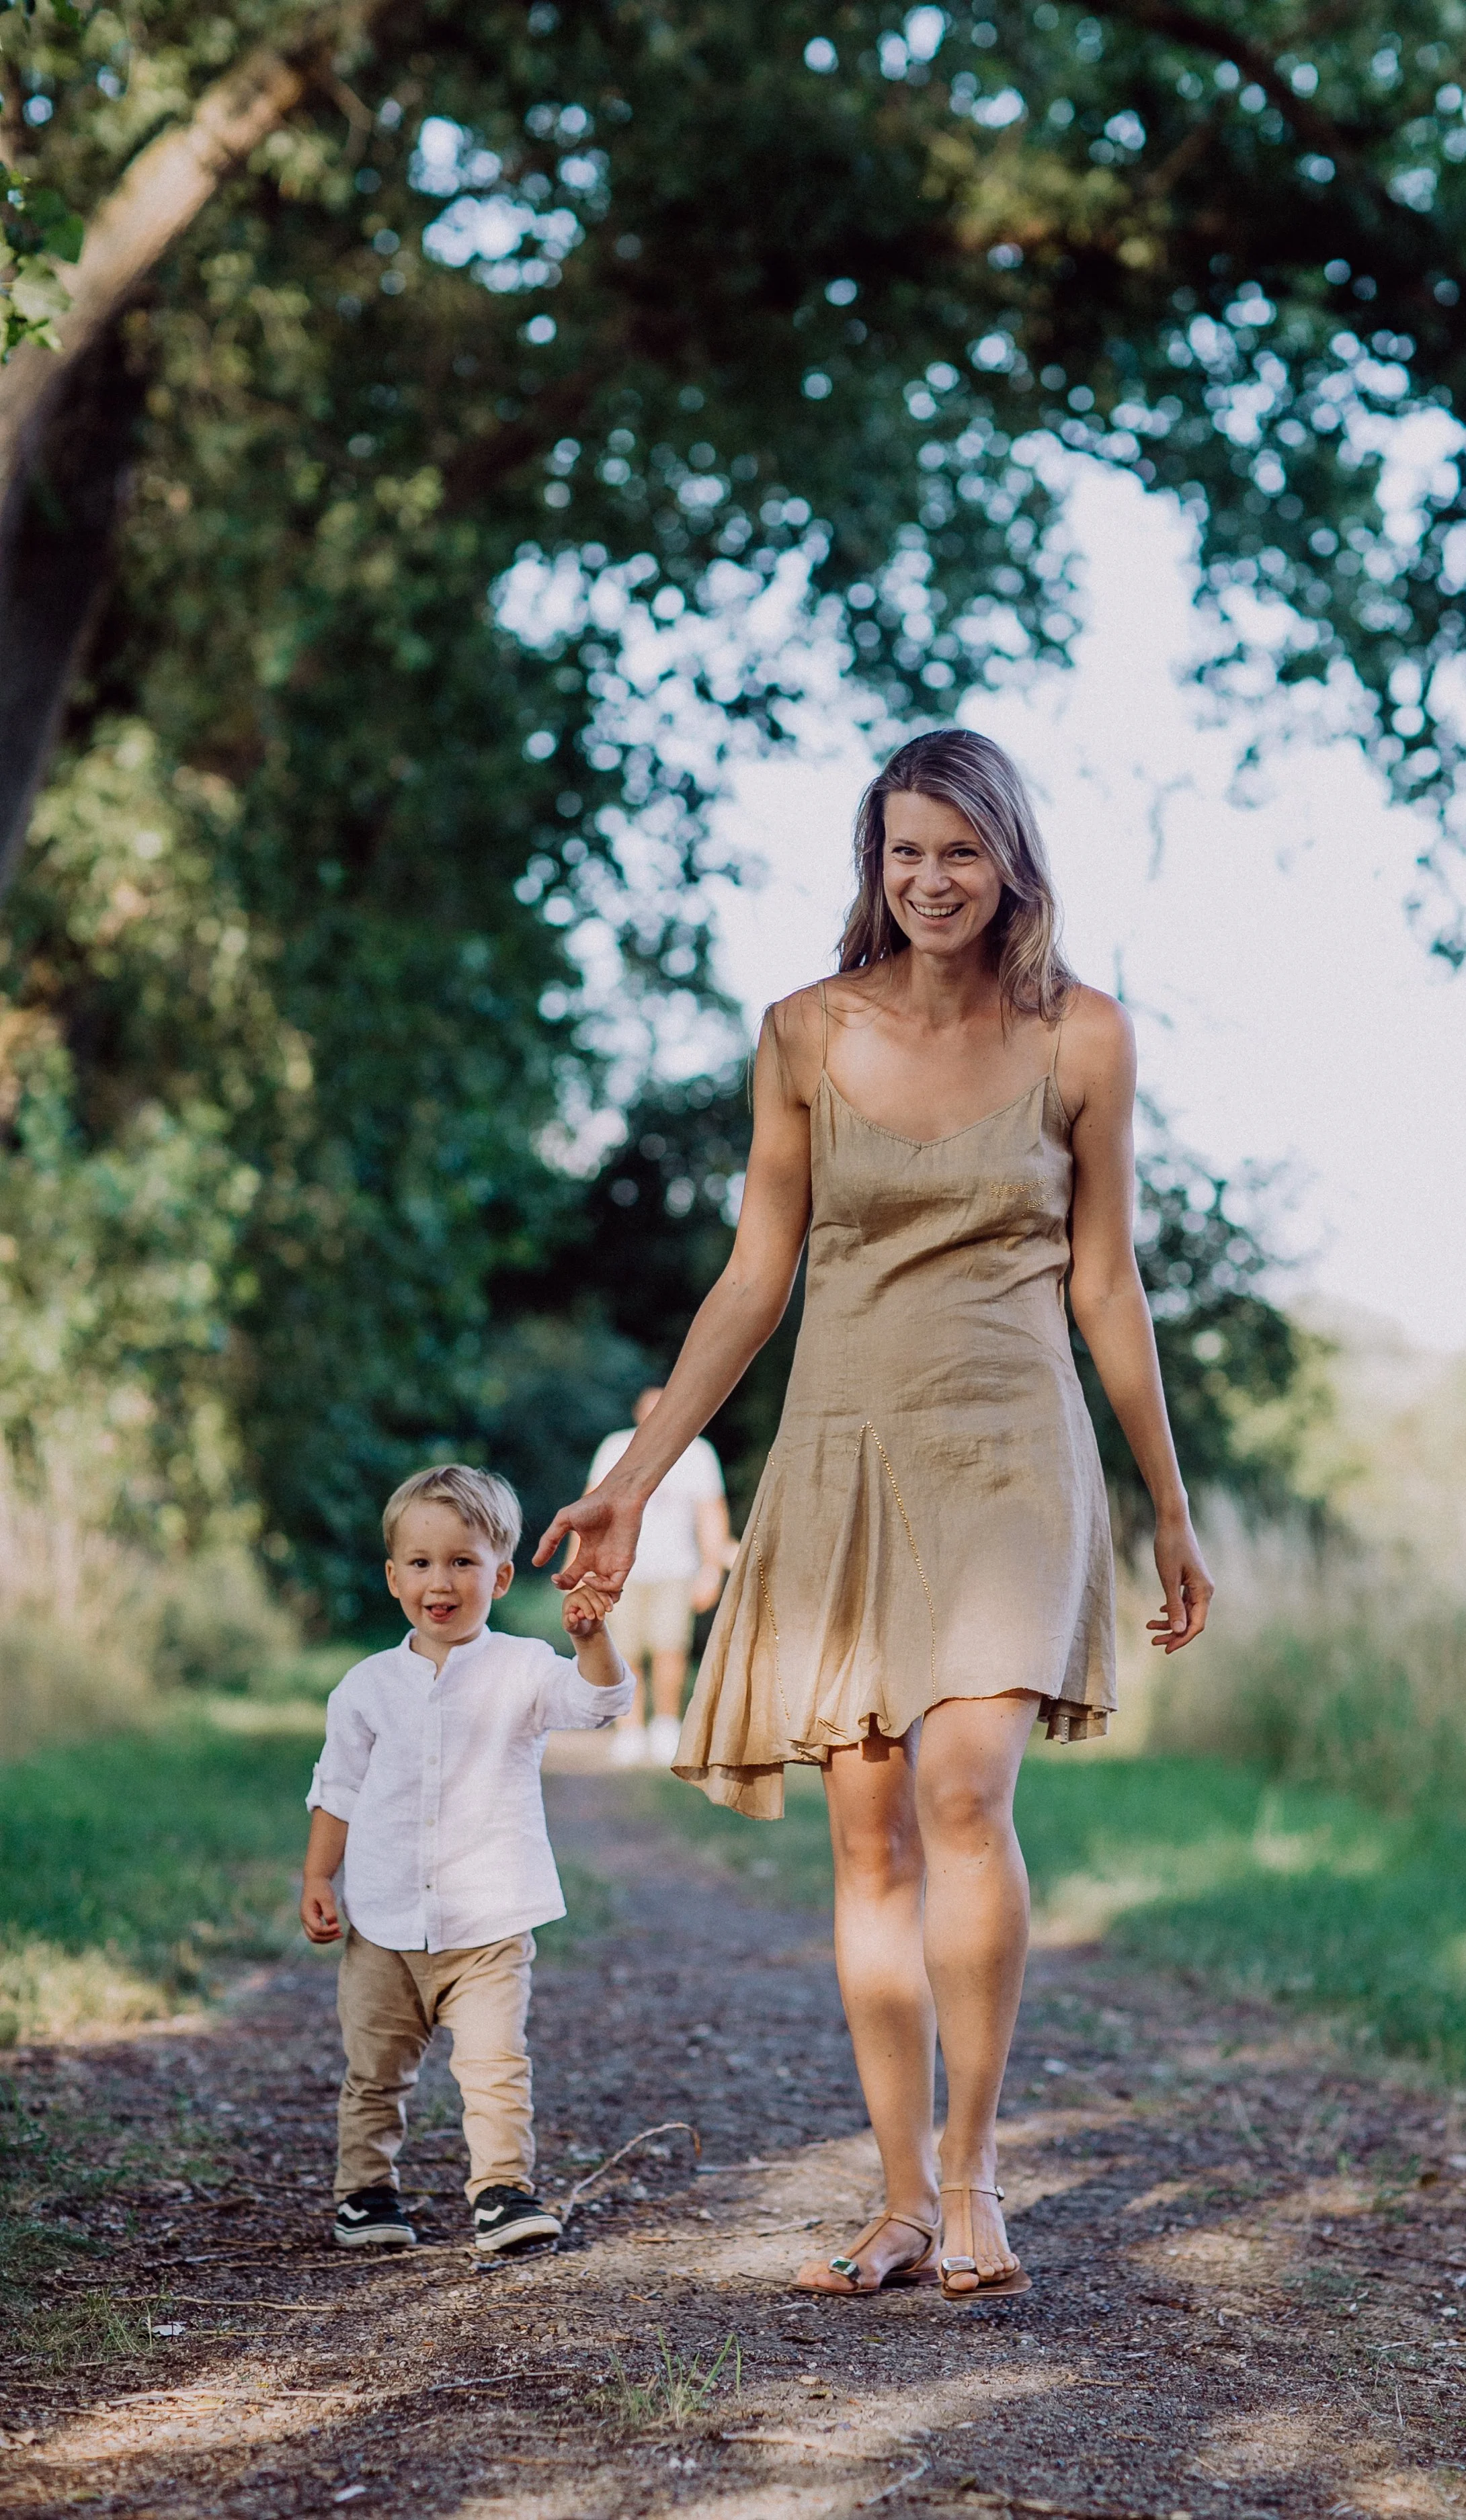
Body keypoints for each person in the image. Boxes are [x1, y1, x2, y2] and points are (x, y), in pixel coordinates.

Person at [535, 730, 1213, 2301]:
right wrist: (633, 1482)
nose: (930, 879)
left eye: (959, 852)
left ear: (1012, 860)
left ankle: (975, 2183)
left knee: (966, 1792)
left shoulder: (1084, 1039)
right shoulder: (799, 1035)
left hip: (1009, 1455)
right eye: (905, 851)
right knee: (867, 1829)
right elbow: (754, 1278)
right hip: (843, 1452)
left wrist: (1167, 1505)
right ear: (875, 862)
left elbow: (1106, 1282)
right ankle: (899, 2192)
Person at [300, 1464, 634, 2253]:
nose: (440, 1582)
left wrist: (593, 1639)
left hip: (489, 1919)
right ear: (393, 1577)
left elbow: (600, 1703)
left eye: (462, 1562)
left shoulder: (521, 1668)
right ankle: (367, 2197)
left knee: (493, 2066)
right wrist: (319, 1874)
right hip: (384, 1924)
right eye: (421, 1564)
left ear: (502, 1573)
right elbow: (338, 1786)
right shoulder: (367, 1687)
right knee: (374, 2070)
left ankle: (502, 2192)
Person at [585, 1386, 733, 1767]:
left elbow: (710, 1514)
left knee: (670, 1648)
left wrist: (712, 1569)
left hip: (676, 1569)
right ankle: (630, 1730)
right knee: (624, 1650)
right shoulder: (615, 1447)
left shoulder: (698, 1452)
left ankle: (666, 1725)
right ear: (637, 1413)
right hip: (619, 1570)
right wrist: (581, 1567)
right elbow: (592, 1506)